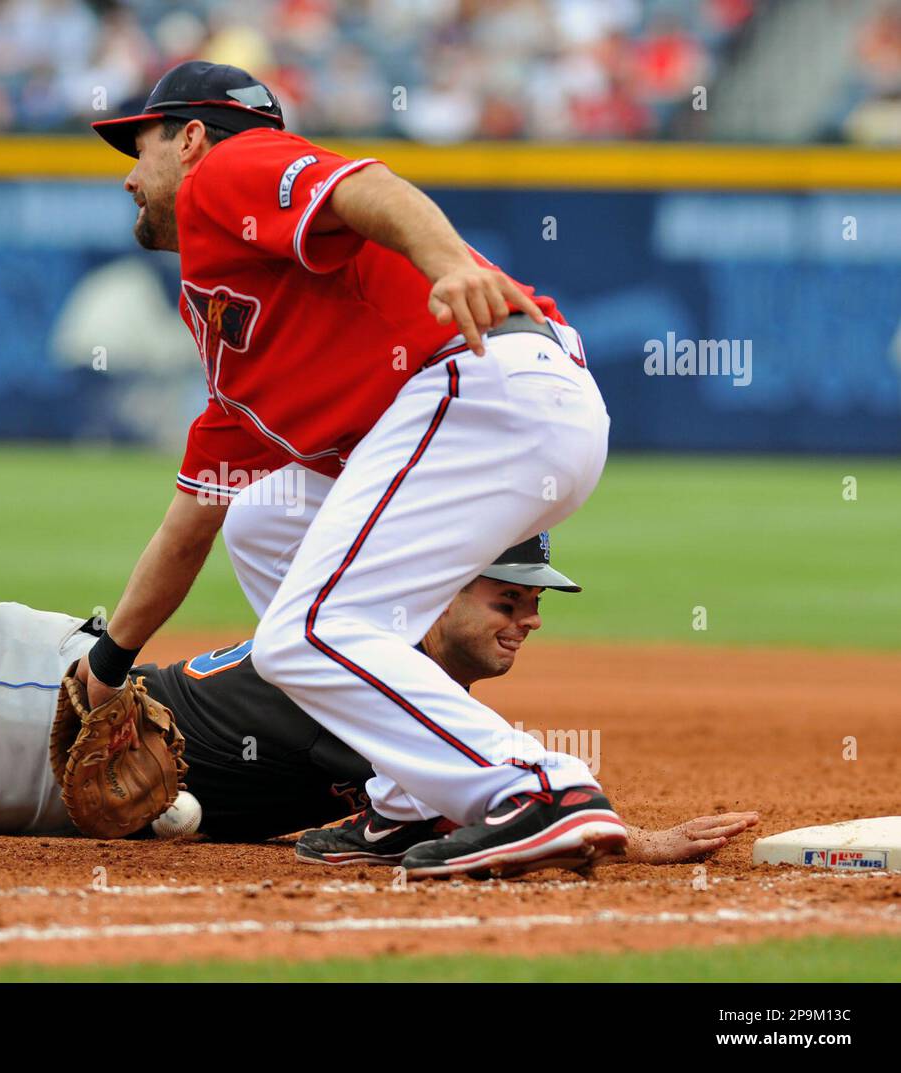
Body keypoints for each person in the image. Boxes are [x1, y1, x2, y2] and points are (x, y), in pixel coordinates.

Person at [0, 443, 758, 867]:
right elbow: (492, 797)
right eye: (508, 591)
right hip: (34, 705)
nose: (529, 615)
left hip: (51, 808)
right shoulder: (355, 647)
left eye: (535, 598)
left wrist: (614, 839)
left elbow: (420, 821)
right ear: (440, 577)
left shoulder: (411, 699)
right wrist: (617, 833)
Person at [83, 60, 620, 878]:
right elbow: (191, 523)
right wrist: (107, 664)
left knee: (306, 633)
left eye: (141, 146)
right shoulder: (239, 346)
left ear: (191, 136)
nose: (131, 176)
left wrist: (448, 263)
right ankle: (411, 795)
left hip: (487, 389)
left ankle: (539, 788)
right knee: (265, 517)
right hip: (503, 414)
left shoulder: (226, 169)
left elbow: (364, 187)